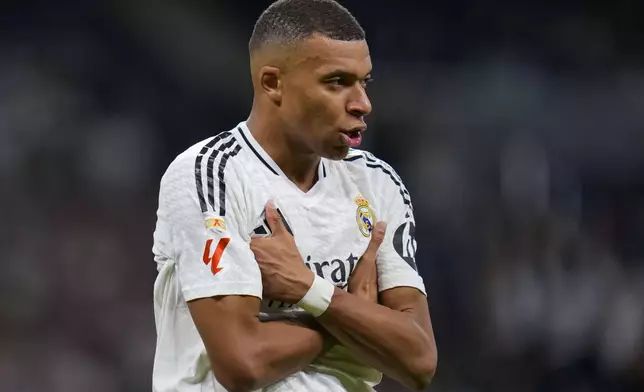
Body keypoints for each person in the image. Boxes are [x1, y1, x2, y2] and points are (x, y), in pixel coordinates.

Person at [151, 0, 437, 391]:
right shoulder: (210, 175)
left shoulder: (375, 181)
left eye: (364, 82)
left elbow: (419, 360)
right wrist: (356, 319)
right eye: (336, 81)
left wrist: (309, 289)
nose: (362, 104)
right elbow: (243, 364)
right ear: (273, 83)